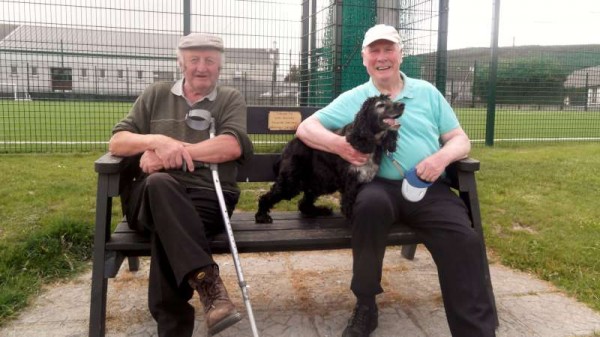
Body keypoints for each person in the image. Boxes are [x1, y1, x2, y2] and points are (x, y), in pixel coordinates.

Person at [296, 24, 496, 337]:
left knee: (463, 239)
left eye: (388, 49)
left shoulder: (427, 92)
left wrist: (440, 158)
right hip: (379, 186)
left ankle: (475, 330)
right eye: (374, 51)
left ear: (400, 54)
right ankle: (365, 306)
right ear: (365, 59)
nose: (382, 57)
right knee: (368, 209)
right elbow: (306, 128)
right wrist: (341, 146)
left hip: (429, 186)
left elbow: (459, 139)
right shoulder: (356, 97)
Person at [108, 33, 253, 337]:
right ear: (181, 63)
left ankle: (173, 330)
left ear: (219, 66)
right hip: (148, 198)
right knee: (160, 186)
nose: (202, 67)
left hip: (208, 197)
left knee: (171, 229)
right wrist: (156, 140)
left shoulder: (229, 98)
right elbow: (118, 141)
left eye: (210, 60)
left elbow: (231, 146)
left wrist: (172, 153)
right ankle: (209, 284)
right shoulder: (156, 94)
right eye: (194, 60)